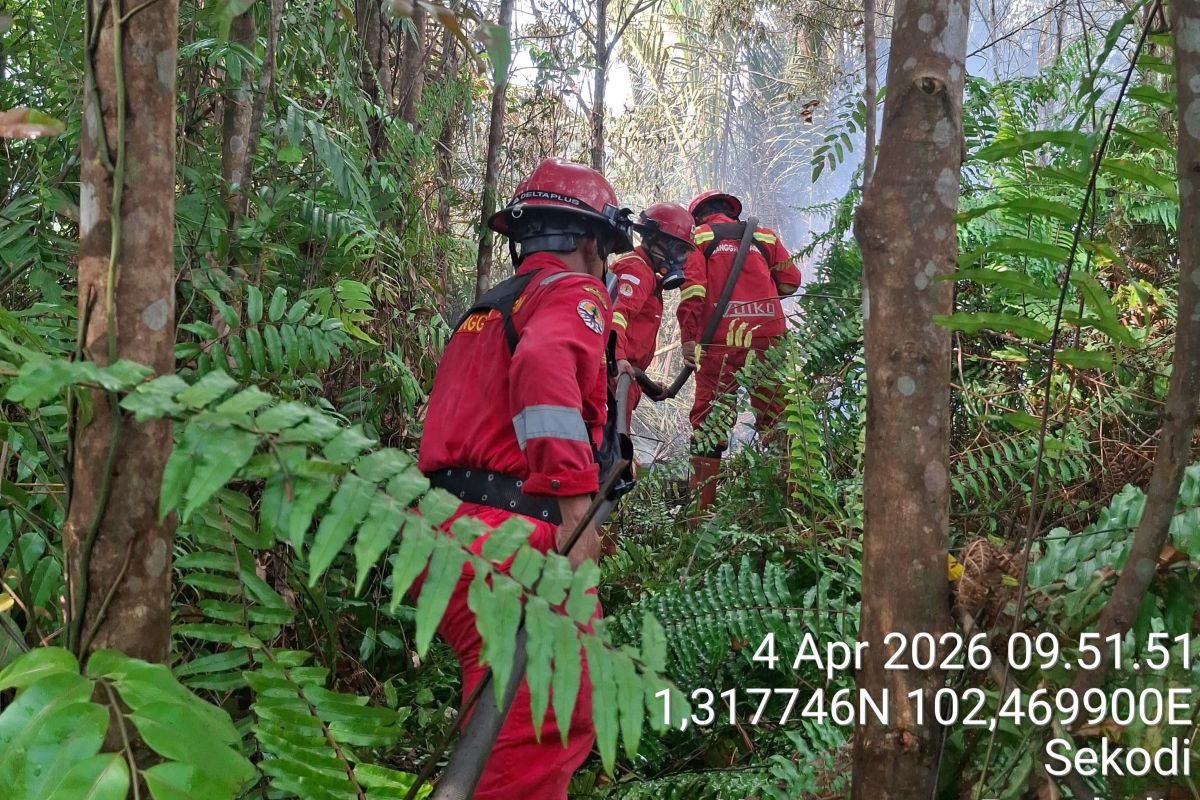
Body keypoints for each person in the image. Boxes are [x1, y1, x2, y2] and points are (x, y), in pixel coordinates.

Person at [414, 157, 634, 799]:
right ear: (593, 243)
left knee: (514, 724)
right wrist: (574, 507)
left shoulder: (485, 311)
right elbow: (542, 372)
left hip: (451, 536)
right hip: (512, 541)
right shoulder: (574, 292)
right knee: (541, 728)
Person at [677, 190, 801, 517]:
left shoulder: (700, 237)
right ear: (731, 213)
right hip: (769, 338)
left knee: (710, 422)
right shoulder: (762, 235)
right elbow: (791, 281)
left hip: (721, 342)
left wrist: (688, 338)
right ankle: (788, 510)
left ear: (699, 215)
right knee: (776, 417)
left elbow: (693, 292)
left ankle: (699, 516)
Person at [609, 203, 696, 422]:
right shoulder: (636, 270)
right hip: (614, 378)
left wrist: (644, 383)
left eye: (685, 253)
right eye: (678, 250)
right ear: (654, 240)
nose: (682, 260)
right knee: (614, 451)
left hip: (626, 377)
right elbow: (615, 316)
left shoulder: (648, 275)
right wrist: (618, 359)